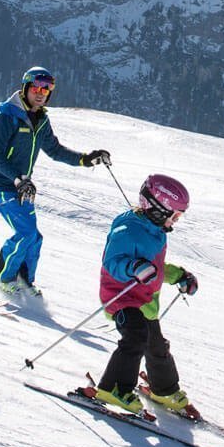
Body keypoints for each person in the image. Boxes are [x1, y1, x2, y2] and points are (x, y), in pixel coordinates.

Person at [0, 66, 110, 296]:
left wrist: (85, 159)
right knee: (25, 233)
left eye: (46, 89)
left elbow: (55, 150)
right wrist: (18, 179)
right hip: (1, 183)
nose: (41, 93)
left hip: (22, 186)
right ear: (25, 88)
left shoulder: (40, 120)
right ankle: (1, 277)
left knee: (34, 236)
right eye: (36, 88)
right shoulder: (6, 116)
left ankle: (23, 280)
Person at [85, 174, 199, 416]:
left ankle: (163, 390)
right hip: (121, 297)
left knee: (157, 346)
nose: (176, 221)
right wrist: (133, 268)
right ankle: (113, 388)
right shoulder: (128, 231)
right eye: (174, 215)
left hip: (145, 301)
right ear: (158, 209)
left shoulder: (155, 231)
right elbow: (112, 262)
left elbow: (155, 267)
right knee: (135, 337)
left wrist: (180, 276)